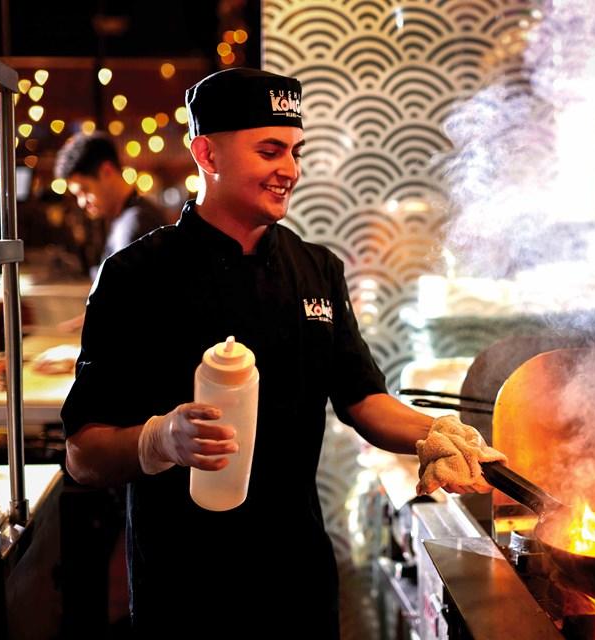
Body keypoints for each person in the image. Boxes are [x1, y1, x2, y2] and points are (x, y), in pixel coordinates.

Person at [61, 67, 502, 638]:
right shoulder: (136, 277)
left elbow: (362, 398)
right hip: (184, 589)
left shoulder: (316, 270)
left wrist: (432, 433)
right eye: (270, 151)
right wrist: (160, 439)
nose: (290, 170)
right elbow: (82, 452)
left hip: (297, 580)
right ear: (207, 154)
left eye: (296, 151)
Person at [54, 131, 172, 279]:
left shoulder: (134, 223)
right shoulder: (130, 216)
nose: (82, 202)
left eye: (84, 190)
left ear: (107, 172)